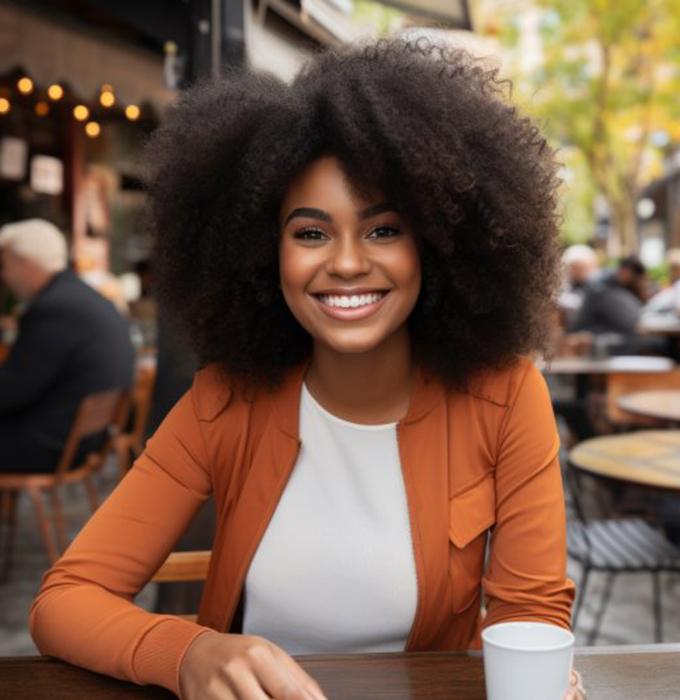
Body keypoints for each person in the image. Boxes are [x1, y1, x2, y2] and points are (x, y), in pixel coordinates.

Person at [30, 40, 582, 699]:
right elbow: (65, 599)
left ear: (438, 243)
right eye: (311, 233)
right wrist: (188, 654)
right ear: (264, 253)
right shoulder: (224, 401)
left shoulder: (505, 395)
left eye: (383, 230)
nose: (346, 263)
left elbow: (531, 616)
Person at [0, 219, 135, 472]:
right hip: (84, 439)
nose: (4, 276)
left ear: (24, 262)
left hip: (50, 445)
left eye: (5, 265)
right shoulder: (82, 297)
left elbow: (13, 391)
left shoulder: (53, 307)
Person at [571, 256, 651, 355]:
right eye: (637, 278)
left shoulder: (610, 286)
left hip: (601, 336)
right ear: (627, 271)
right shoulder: (603, 288)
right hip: (595, 339)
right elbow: (629, 321)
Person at [558, 244, 599, 328]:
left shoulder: (598, 284)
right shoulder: (566, 283)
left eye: (584, 268)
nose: (582, 272)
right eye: (576, 268)